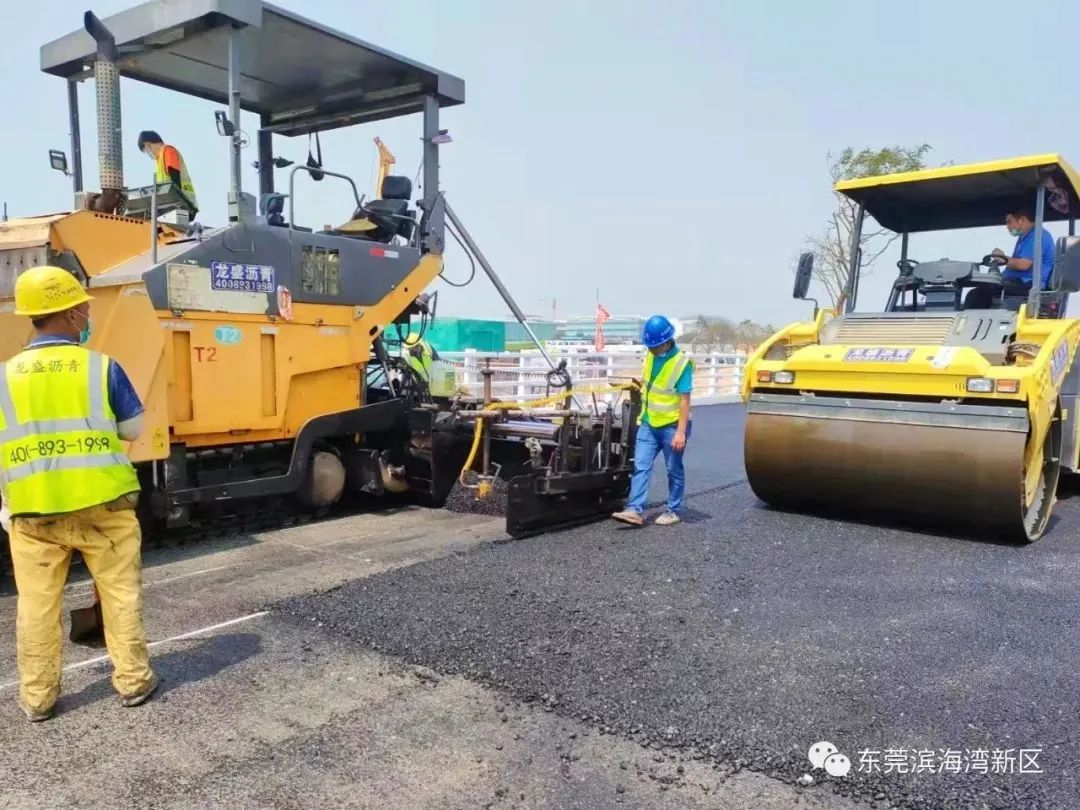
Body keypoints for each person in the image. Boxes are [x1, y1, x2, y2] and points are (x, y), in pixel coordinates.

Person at [0, 265, 157, 722]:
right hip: (103, 505)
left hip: (33, 512)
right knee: (120, 594)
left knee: (35, 607)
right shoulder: (102, 367)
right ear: (68, 314)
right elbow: (133, 428)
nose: (88, 314)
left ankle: (38, 699)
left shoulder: (4, 377)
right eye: (83, 308)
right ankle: (133, 681)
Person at [611, 315, 693, 526]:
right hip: (648, 423)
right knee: (641, 465)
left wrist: (681, 432)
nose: (652, 349)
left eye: (655, 346)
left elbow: (685, 400)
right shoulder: (648, 355)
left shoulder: (681, 364)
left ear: (667, 341)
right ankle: (634, 510)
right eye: (650, 345)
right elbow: (650, 384)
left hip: (672, 426)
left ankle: (673, 510)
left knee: (673, 469)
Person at [965, 208, 1055, 309]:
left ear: (1022, 220)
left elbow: (1024, 265)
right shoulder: (1025, 237)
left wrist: (1003, 258)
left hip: (1028, 286)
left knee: (977, 295)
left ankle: (974, 323)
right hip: (1018, 284)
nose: (1007, 227)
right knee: (978, 292)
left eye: (1009, 222)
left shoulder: (1038, 236)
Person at [137, 130, 198, 217]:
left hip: (183, 203)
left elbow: (175, 176)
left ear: (148, 144)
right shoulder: (160, 159)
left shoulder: (167, 150)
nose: (149, 153)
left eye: (146, 150)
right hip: (174, 205)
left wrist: (178, 200)